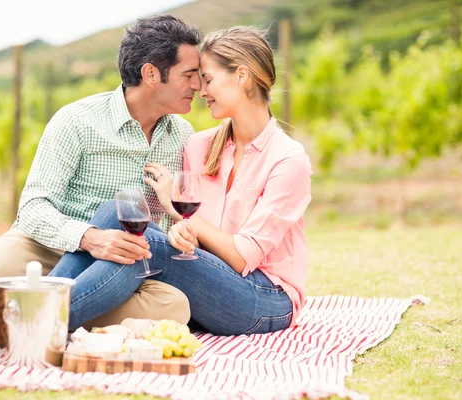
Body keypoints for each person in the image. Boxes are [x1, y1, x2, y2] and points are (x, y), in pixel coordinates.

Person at [50, 26, 312, 335]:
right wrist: (184, 232)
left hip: (264, 298)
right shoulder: (199, 146)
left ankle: (37, 323)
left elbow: (243, 257)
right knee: (114, 214)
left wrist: (176, 206)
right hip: (210, 281)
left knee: (143, 243)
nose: (201, 91)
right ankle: (37, 307)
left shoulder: (288, 159)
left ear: (241, 76)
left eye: (209, 79)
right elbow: (196, 238)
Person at [0, 14, 202, 327]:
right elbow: (33, 208)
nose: (197, 85)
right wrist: (89, 238)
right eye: (189, 74)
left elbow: (172, 223)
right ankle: (23, 308)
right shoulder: (77, 120)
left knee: (172, 308)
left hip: (119, 269)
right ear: (151, 74)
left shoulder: (182, 134)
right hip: (42, 251)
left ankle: (18, 311)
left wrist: (181, 233)